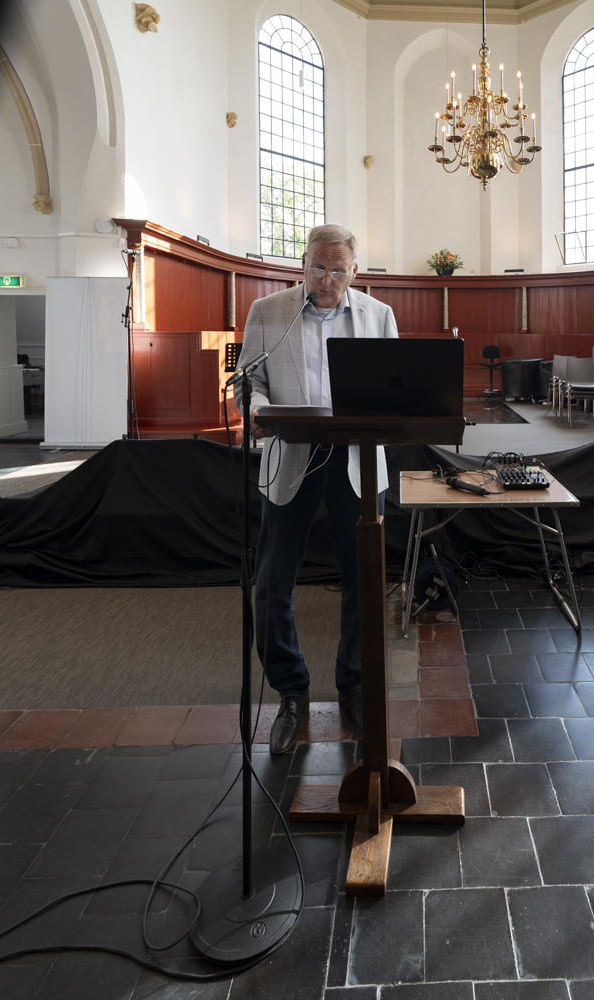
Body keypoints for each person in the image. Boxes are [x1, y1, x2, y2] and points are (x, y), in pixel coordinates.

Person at [235, 224, 399, 753]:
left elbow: (394, 387)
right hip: (292, 455)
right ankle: (290, 692)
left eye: (337, 270)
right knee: (271, 583)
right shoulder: (269, 312)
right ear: (302, 265)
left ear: (355, 271)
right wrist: (257, 410)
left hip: (357, 460)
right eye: (316, 268)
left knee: (364, 581)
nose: (325, 280)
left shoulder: (378, 316)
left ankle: (355, 686)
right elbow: (250, 381)